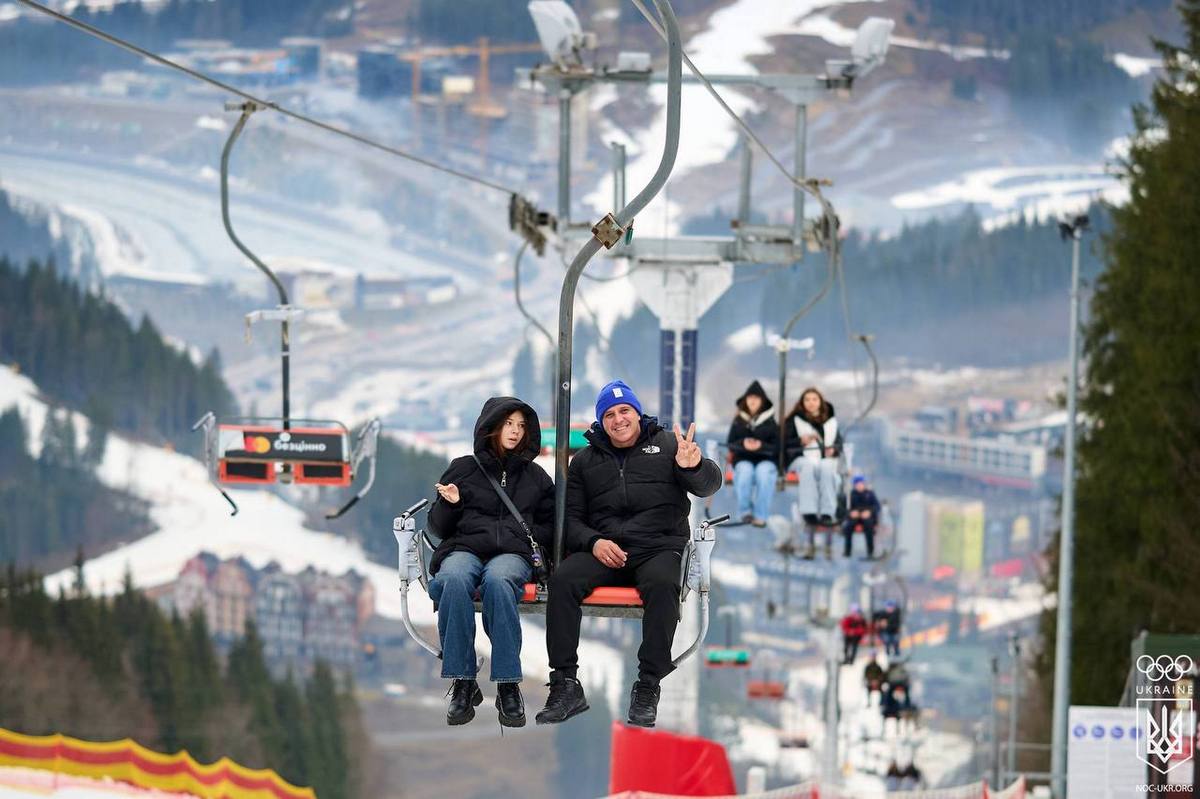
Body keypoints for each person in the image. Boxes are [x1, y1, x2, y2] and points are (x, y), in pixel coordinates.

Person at [536, 380, 722, 728]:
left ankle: (648, 684)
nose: (618, 420)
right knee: (563, 581)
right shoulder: (585, 461)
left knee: (664, 585)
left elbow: (708, 485)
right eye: (609, 414)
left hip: (657, 546)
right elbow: (571, 520)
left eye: (624, 411)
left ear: (637, 413)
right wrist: (593, 542)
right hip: (605, 549)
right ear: (601, 422)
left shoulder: (668, 445)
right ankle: (564, 682)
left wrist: (693, 467)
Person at [426, 397, 554, 728]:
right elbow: (438, 528)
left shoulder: (536, 478)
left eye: (521, 425)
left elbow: (550, 525)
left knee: (499, 582)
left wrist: (522, 538)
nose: (515, 431)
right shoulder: (463, 469)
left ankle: (508, 684)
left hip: (511, 554)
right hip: (465, 547)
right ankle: (463, 681)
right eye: (508, 424)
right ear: (492, 427)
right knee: (453, 579)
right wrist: (450, 505)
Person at [785, 387, 842, 525]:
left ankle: (827, 512)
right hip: (800, 458)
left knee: (827, 468)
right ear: (802, 402)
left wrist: (833, 451)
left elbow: (838, 443)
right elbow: (784, 443)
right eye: (807, 400)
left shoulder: (830, 423)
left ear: (820, 402)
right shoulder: (794, 420)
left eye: (814, 399)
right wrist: (801, 441)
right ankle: (808, 511)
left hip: (823, 459)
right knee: (808, 466)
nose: (811, 403)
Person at [726, 380, 779, 527]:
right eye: (750, 398)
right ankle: (745, 512)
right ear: (745, 400)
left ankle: (761, 515)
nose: (753, 401)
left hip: (766, 460)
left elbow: (777, 447)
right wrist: (743, 444)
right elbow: (730, 443)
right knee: (744, 471)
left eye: (756, 398)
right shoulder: (738, 421)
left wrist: (761, 446)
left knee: (764, 473)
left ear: (762, 401)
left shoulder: (771, 423)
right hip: (743, 459)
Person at [843, 475, 881, 558]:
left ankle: (870, 552)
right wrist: (851, 513)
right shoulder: (850, 495)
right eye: (858, 484)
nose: (860, 486)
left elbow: (877, 506)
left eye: (861, 484)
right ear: (855, 485)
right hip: (855, 518)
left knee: (869, 527)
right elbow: (844, 509)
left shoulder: (870, 494)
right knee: (848, 528)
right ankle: (847, 552)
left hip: (867, 518)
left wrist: (869, 512)